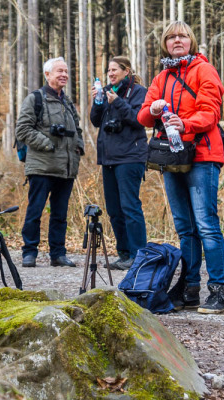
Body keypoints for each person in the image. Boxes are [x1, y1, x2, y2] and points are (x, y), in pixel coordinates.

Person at [137, 21, 224, 314]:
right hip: (171, 158)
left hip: (202, 154)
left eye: (182, 36)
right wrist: (152, 111)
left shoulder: (204, 70)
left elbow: (211, 112)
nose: (177, 40)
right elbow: (143, 115)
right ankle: (190, 288)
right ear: (165, 43)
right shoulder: (161, 77)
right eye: (171, 37)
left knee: (206, 225)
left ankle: (219, 290)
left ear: (191, 41)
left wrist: (185, 123)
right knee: (185, 229)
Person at [16, 57, 85, 268]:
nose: (64, 75)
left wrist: (79, 146)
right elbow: (23, 129)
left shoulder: (67, 102)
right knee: (35, 211)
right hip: (42, 166)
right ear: (48, 75)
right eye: (59, 71)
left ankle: (58, 254)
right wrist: (47, 144)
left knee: (60, 214)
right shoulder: (35, 99)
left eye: (66, 71)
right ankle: (29, 253)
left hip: (66, 169)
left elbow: (77, 129)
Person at [89, 56, 148, 270]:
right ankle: (124, 254)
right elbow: (96, 121)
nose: (111, 73)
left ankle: (138, 255)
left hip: (131, 157)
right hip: (109, 158)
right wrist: (98, 102)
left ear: (126, 71)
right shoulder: (105, 91)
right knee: (114, 209)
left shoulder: (138, 92)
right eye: (108, 70)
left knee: (130, 207)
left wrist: (118, 102)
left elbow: (139, 119)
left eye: (115, 69)